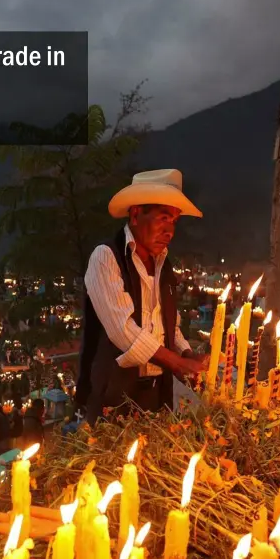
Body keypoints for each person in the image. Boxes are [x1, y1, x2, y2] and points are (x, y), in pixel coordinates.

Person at [76, 169, 207, 424]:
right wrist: (177, 364)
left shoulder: (164, 266)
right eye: (163, 218)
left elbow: (170, 324)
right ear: (136, 214)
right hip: (114, 397)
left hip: (158, 395)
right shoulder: (106, 257)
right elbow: (123, 331)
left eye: (174, 222)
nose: (170, 231)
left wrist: (187, 354)